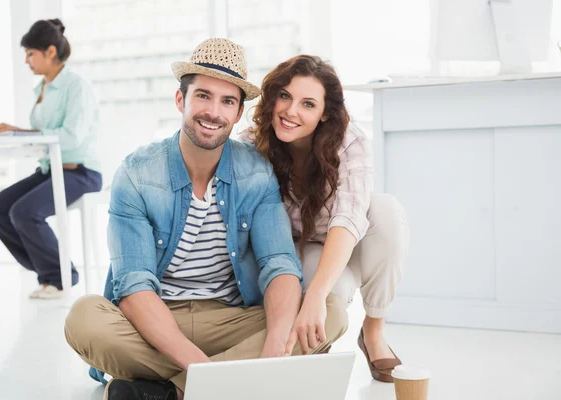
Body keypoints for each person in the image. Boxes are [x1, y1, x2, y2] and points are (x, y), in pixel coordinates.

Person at [64, 39, 348, 400]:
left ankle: (165, 393)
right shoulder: (137, 174)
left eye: (227, 101)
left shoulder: (256, 172)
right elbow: (134, 289)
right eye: (203, 96)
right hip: (155, 318)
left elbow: (279, 264)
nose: (213, 112)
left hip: (230, 318)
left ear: (239, 112)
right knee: (84, 318)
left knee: (330, 311)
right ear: (181, 99)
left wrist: (275, 347)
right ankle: (231, 383)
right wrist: (206, 373)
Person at [245, 55, 409, 382]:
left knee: (387, 211)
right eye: (285, 96)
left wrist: (316, 295)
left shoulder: (349, 141)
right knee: (323, 295)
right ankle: (319, 342)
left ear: (324, 114)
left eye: (308, 104)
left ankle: (374, 331)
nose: (291, 111)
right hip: (296, 248)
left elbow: (348, 218)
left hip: (349, 240)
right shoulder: (252, 143)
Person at [0, 19, 102, 299]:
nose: (26, 60)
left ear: (49, 52)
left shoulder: (75, 86)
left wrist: (20, 132)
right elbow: (44, 134)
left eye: (30, 53)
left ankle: (59, 278)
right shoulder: (42, 89)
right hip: (51, 170)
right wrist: (13, 132)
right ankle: (47, 269)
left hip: (81, 173)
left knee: (24, 212)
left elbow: (71, 137)